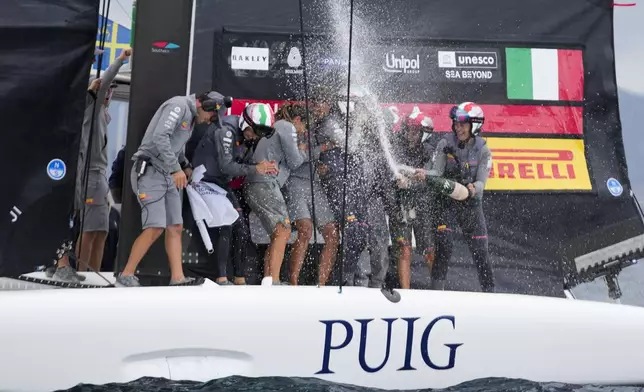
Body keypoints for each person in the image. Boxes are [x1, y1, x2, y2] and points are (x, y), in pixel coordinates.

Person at [115, 91, 224, 287]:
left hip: (168, 173)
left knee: (175, 226)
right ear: (203, 105)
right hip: (149, 171)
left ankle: (178, 278)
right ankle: (126, 274)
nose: (209, 121)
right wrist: (176, 169)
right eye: (212, 116)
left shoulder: (191, 116)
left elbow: (176, 145)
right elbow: (160, 137)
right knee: (155, 226)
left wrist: (185, 164)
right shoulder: (179, 106)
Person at [49, 49, 130, 282]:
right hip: (88, 175)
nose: (109, 92)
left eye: (113, 90)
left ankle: (92, 274)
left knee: (102, 230)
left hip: (100, 176)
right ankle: (79, 270)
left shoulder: (103, 112)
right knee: (89, 229)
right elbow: (103, 81)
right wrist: (121, 59)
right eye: (108, 89)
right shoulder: (90, 106)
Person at [190, 98, 276, 285]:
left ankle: (239, 278)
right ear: (246, 122)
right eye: (254, 131)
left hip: (220, 183)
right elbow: (227, 166)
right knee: (228, 224)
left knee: (242, 230)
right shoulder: (226, 131)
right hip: (203, 180)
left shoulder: (249, 135)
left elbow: (241, 164)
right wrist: (256, 169)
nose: (255, 137)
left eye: (261, 134)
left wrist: (263, 166)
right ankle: (221, 278)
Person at [415, 102, 495, 292]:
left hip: (470, 203)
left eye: (462, 124)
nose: (457, 128)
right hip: (446, 202)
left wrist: (473, 188)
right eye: (456, 124)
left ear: (474, 125)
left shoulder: (484, 150)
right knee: (444, 245)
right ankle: (437, 294)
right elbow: (436, 171)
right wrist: (424, 174)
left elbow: (482, 184)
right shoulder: (445, 143)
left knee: (481, 251)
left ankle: (491, 295)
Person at [243, 103, 305, 285]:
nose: (303, 131)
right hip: (264, 183)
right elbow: (295, 162)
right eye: (304, 127)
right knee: (283, 230)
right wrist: (303, 151)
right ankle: (274, 282)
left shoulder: (276, 127)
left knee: (278, 233)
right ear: (298, 120)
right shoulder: (287, 126)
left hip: (257, 183)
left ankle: (269, 279)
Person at [278, 103, 339, 286]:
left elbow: (311, 153)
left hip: (314, 184)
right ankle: (293, 281)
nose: (320, 113)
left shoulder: (318, 129)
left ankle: (322, 283)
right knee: (305, 229)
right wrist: (321, 149)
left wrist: (321, 165)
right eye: (311, 116)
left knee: (332, 233)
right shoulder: (288, 130)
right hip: (294, 182)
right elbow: (294, 160)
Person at [389, 106, 437, 289]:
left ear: (424, 133)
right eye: (408, 128)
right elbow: (391, 170)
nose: (410, 133)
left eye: (415, 130)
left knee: (429, 250)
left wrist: (411, 182)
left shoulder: (431, 151)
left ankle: (438, 291)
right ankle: (406, 293)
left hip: (423, 205)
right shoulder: (396, 145)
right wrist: (398, 180)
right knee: (404, 249)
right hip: (400, 204)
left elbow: (432, 178)